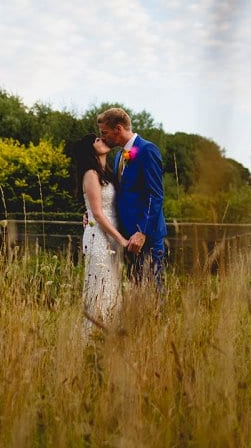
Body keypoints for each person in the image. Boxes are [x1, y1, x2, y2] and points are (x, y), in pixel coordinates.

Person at [97, 108, 167, 289]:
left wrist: (143, 231)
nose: (103, 138)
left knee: (152, 292)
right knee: (136, 292)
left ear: (118, 129)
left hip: (147, 238)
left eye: (104, 133)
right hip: (128, 239)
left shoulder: (147, 150)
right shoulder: (119, 155)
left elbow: (156, 194)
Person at [70, 133, 128, 336]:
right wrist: (121, 239)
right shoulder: (90, 174)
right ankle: (92, 338)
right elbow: (97, 213)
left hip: (110, 236)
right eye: (97, 140)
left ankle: (109, 336)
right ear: (90, 149)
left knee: (112, 288)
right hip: (98, 237)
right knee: (99, 288)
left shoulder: (107, 172)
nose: (103, 141)